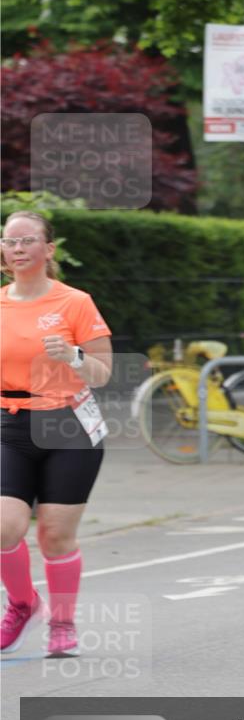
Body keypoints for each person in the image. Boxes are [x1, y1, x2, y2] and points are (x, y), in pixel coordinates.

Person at [1, 211, 112, 657]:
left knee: (54, 535)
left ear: (49, 250)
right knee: (4, 527)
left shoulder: (75, 302)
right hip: (10, 421)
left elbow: (103, 373)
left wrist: (73, 355)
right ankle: (23, 604)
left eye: (28, 240)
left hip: (67, 424)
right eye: (10, 241)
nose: (18, 248)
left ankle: (62, 624)